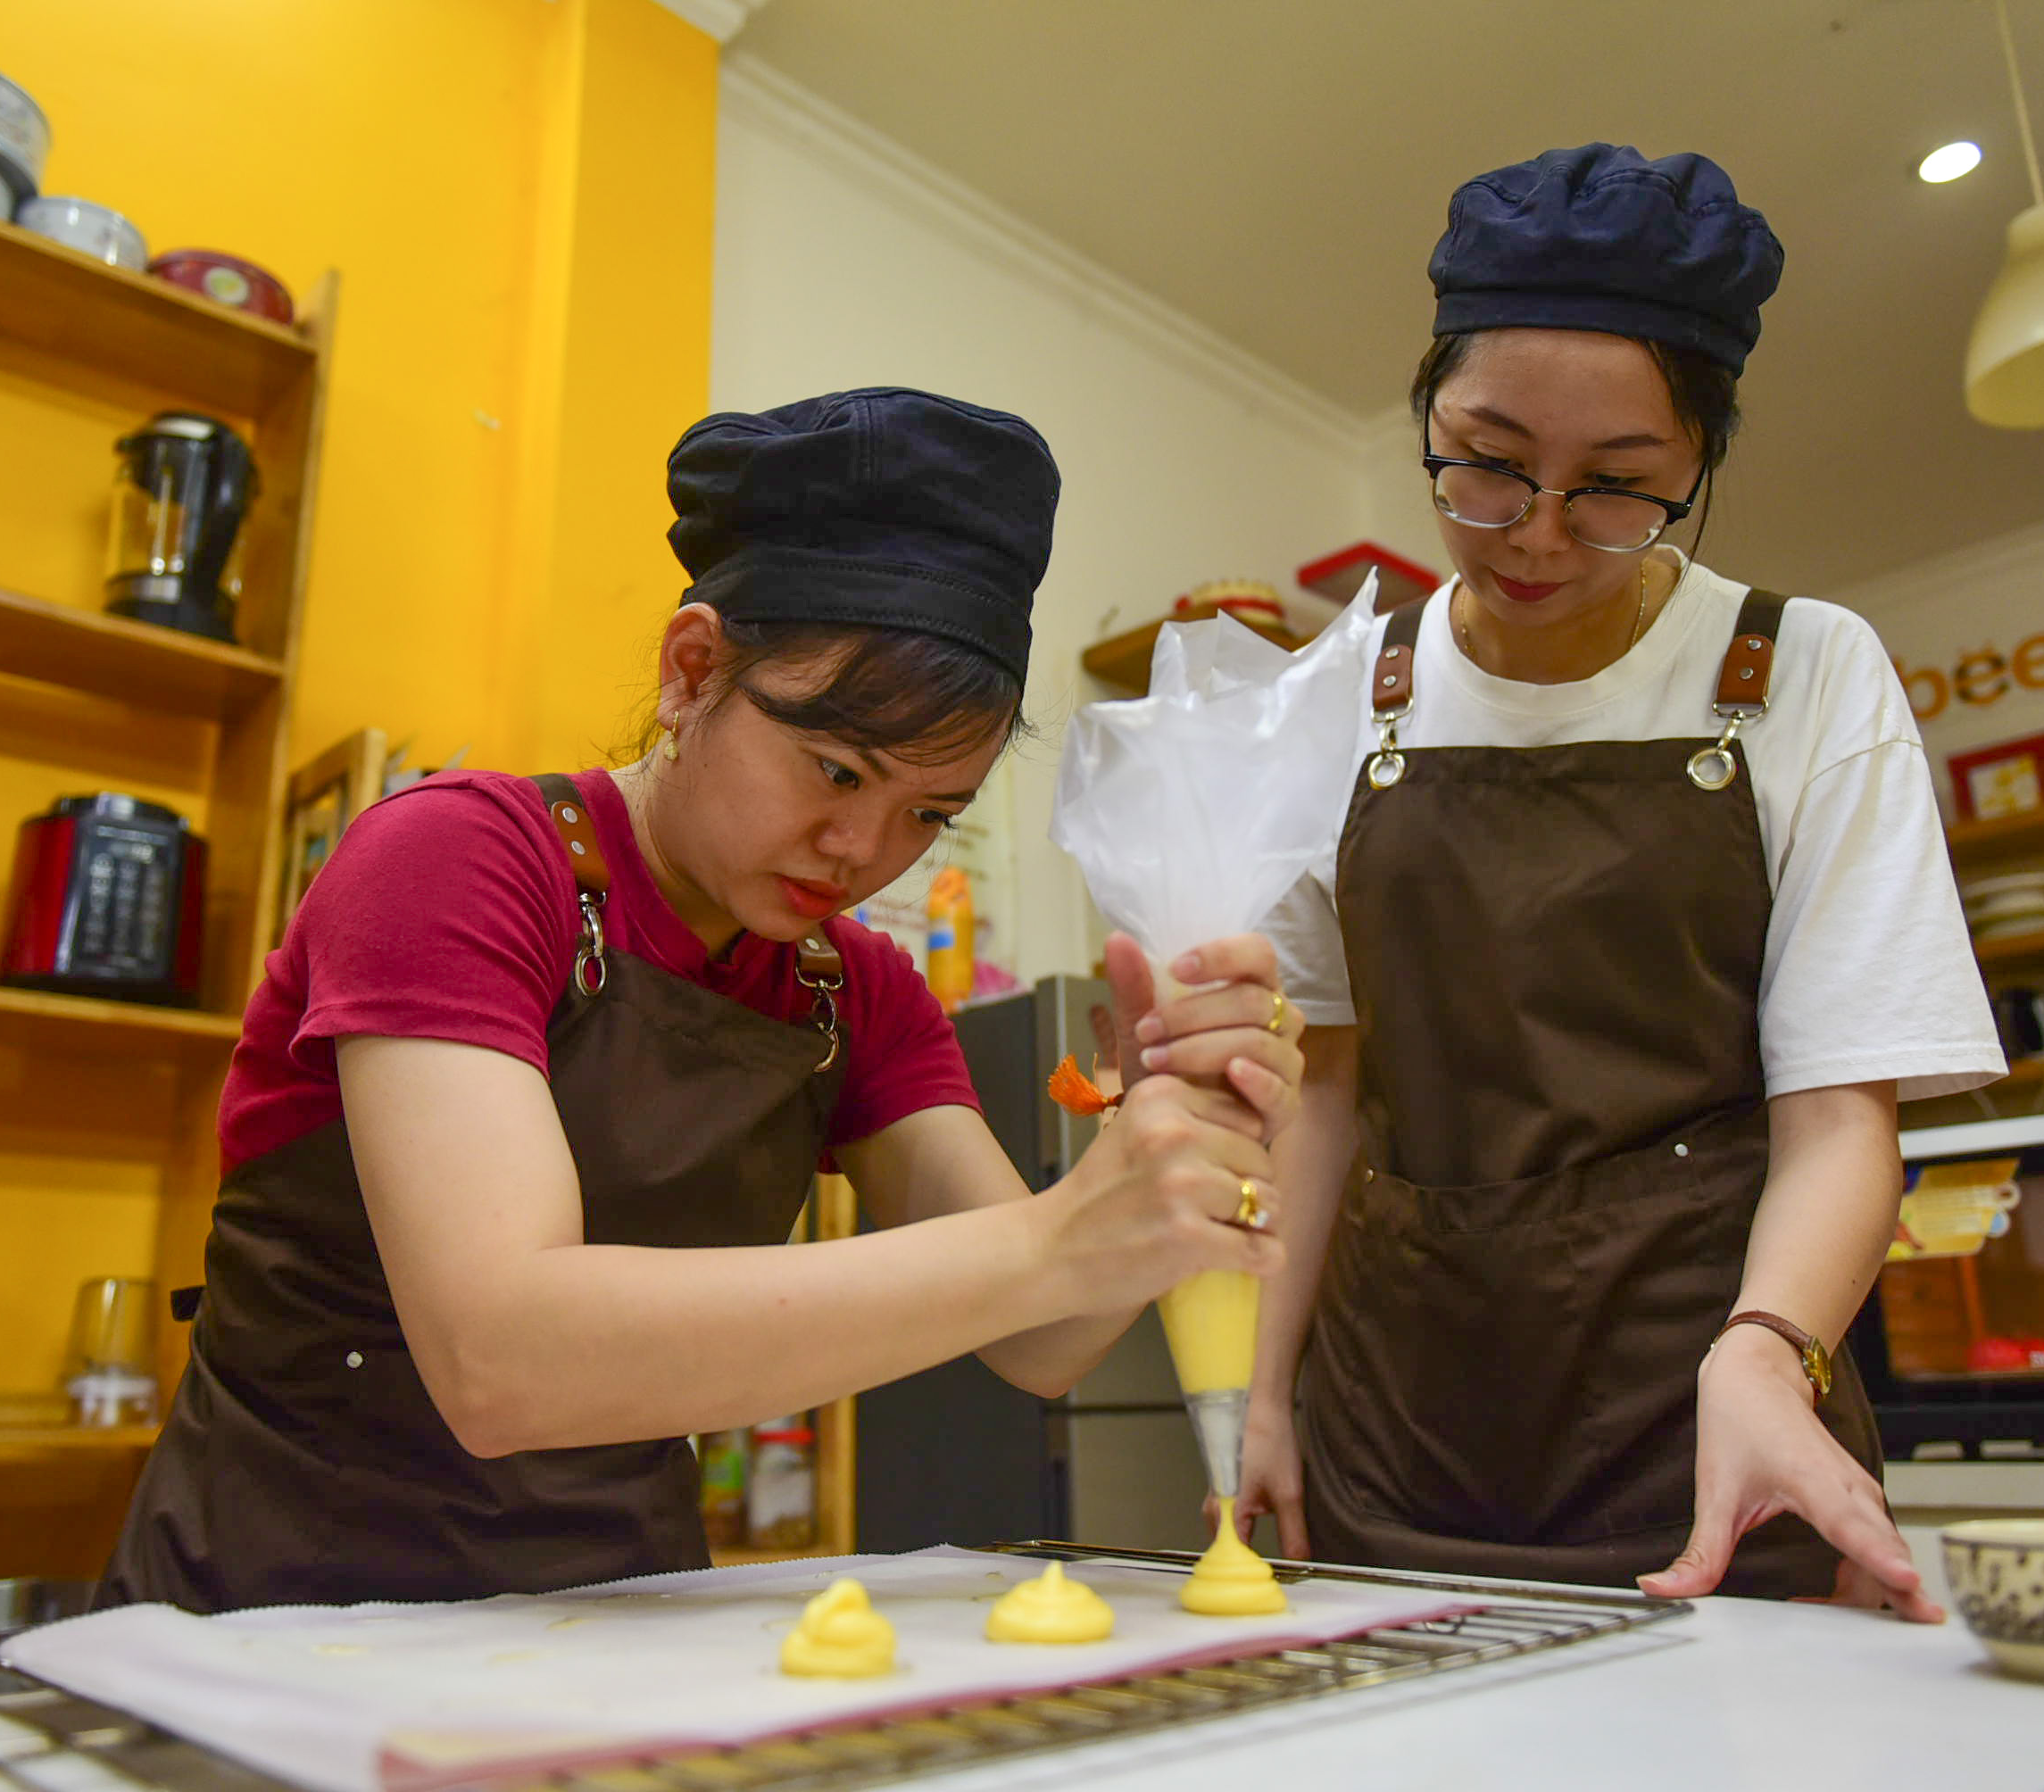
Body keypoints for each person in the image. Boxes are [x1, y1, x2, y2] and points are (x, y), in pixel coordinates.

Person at [101, 388, 1306, 1613]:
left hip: (615, 1624)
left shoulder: (856, 989)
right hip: (281, 1617)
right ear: (693, 673)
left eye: (928, 816)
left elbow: (1046, 1340)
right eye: (836, 769)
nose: (860, 852)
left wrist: (1151, 1150)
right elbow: (500, 1358)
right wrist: (1060, 1238)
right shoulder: (459, 860)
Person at [1237, 147, 2003, 1618]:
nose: (1534, 530)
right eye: (1485, 459)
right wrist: (1261, 1393)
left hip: (1713, 1402)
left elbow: (1841, 1109)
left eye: (1617, 490)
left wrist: (1770, 1348)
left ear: (1697, 468)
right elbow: (1323, 1089)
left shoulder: (1801, 670)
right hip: (1395, 1414)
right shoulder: (1347, 694)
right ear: (1426, 416)